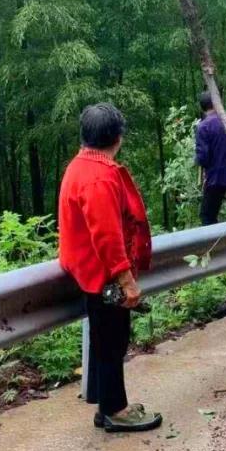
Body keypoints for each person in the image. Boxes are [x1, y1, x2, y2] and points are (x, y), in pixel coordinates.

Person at [57, 103, 162, 433]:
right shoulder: (99, 178)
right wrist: (127, 279)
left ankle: (107, 406)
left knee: (107, 341)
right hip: (101, 275)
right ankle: (116, 411)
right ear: (117, 137)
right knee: (112, 341)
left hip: (89, 272)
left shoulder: (80, 166)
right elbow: (107, 235)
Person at [195, 91, 226, 226]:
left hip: (216, 177)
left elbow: (203, 157)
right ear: (218, 103)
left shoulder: (203, 126)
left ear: (202, 107)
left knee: (207, 216)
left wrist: (198, 161)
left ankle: (215, 246)